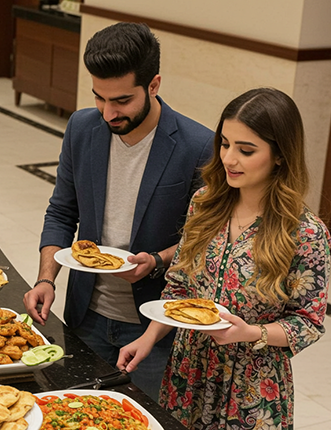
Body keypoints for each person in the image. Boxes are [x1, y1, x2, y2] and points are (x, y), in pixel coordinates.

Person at [117, 87, 330, 429]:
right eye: (225, 144)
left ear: (280, 156)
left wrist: (250, 332)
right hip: (189, 370)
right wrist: (148, 338)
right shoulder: (205, 202)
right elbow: (179, 287)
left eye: (246, 150)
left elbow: (308, 323)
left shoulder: (305, 233)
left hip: (252, 387)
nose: (229, 159)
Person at [22, 22, 214, 400]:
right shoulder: (81, 128)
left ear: (154, 85)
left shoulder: (198, 146)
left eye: (122, 101)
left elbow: (204, 241)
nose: (108, 113)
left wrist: (157, 260)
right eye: (99, 98)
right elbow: (61, 212)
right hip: (85, 315)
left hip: (153, 328)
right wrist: (46, 279)